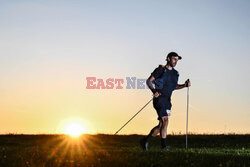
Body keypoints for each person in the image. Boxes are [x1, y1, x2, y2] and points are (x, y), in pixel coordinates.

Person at [140, 52, 191, 151]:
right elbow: (149, 81)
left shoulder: (176, 74)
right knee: (165, 121)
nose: (176, 61)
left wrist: (184, 85)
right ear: (168, 59)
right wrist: (154, 91)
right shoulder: (161, 70)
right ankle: (164, 147)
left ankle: (145, 140)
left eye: (177, 60)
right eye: (174, 59)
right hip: (159, 99)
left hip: (168, 101)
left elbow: (174, 87)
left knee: (160, 126)